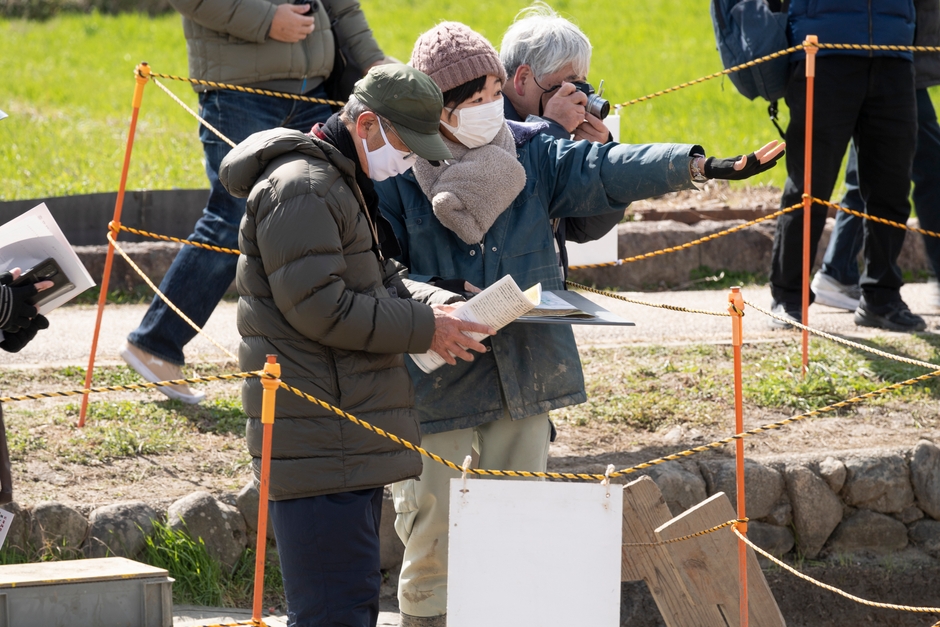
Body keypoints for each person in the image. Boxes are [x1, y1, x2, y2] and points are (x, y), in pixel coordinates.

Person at [378, 22, 785, 627]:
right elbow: (381, 272)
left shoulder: (534, 153)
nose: (493, 109)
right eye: (478, 99)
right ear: (439, 108)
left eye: (497, 94)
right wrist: (433, 303)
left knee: (517, 529)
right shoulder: (397, 181)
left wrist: (698, 164)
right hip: (440, 383)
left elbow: (610, 168)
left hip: (525, 377)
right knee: (432, 538)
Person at [218, 64, 494, 627]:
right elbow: (322, 306)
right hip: (319, 437)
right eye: (405, 146)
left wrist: (435, 304)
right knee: (333, 613)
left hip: (341, 434)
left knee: (348, 607)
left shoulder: (336, 180)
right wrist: (425, 327)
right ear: (367, 125)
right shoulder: (302, 188)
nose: (409, 161)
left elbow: (368, 282)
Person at [120, 0, 389, 404]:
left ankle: (311, 370)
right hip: (238, 94)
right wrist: (266, 20)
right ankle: (155, 343)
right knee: (234, 217)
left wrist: (372, 61)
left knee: (330, 213)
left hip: (314, 89)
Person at [768, 0, 924, 331]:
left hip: (894, 53)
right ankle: (788, 297)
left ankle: (881, 298)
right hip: (822, 51)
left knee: (892, 186)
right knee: (810, 184)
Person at [810, 0, 940, 316]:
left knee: (874, 167)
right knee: (928, 165)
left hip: (891, 48)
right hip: (889, 49)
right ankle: (838, 272)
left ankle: (838, 269)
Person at [499, 2, 622, 276]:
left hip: (548, 295)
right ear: (523, 78)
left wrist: (599, 163)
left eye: (582, 84)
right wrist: (551, 129)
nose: (578, 97)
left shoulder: (551, 135)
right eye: (568, 85)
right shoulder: (483, 120)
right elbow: (515, 207)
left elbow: (584, 228)